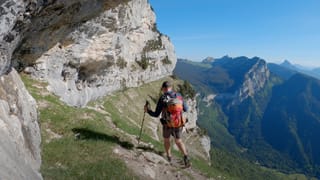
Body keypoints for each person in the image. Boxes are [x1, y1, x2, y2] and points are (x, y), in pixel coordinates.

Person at [144, 81, 190, 167]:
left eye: (162, 89)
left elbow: (156, 114)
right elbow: (186, 109)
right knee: (178, 141)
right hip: (178, 123)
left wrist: (148, 111)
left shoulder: (163, 98)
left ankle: (169, 157)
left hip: (167, 124)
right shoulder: (179, 95)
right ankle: (186, 157)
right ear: (171, 88)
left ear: (164, 88)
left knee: (166, 140)